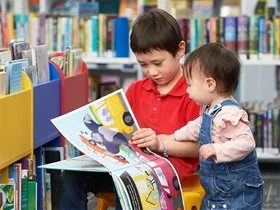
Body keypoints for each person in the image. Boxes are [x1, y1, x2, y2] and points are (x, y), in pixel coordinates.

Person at [60, 8, 200, 210]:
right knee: (71, 177)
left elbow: (198, 148)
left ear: (180, 50)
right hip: (127, 166)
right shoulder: (136, 89)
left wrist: (160, 143)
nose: (152, 72)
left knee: (127, 183)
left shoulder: (193, 93)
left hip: (168, 176)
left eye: (158, 63)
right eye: (143, 64)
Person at [149, 42, 263, 209]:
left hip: (238, 194)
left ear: (210, 84)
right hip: (217, 191)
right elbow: (196, 127)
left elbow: (247, 143)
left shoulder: (229, 115)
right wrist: (173, 137)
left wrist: (218, 150)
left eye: (190, 85)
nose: (187, 91)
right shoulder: (209, 110)